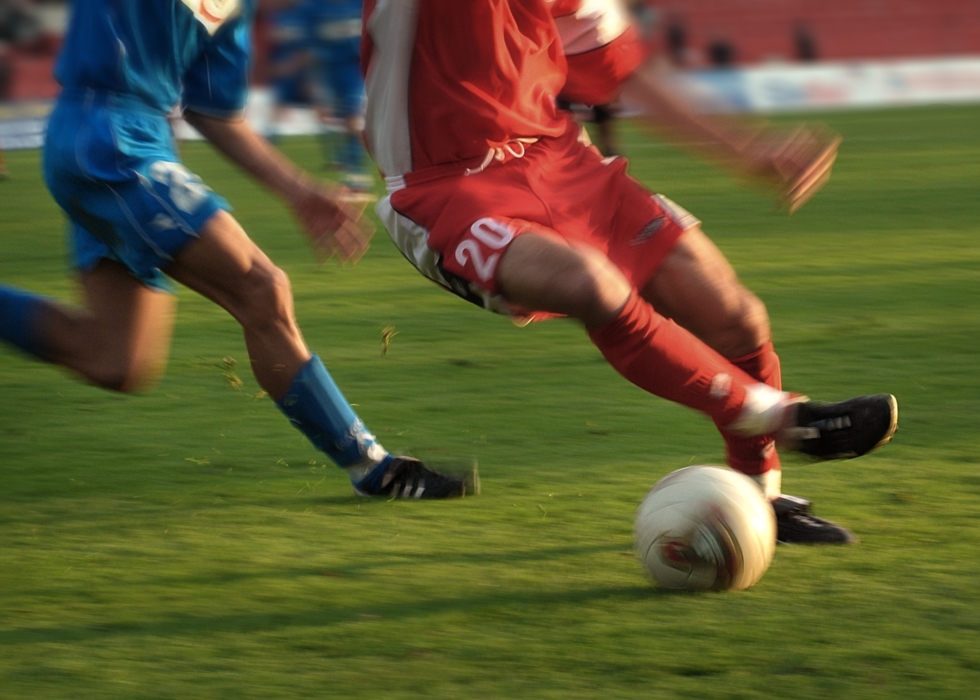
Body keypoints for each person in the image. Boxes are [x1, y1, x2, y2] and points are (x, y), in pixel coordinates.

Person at [360, 0, 898, 542]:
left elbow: (621, 69)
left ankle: (762, 503)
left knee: (736, 318)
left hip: (559, 160)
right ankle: (782, 419)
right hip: (445, 186)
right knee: (592, 286)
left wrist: (748, 150)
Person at [0, 0, 466, 499]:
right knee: (262, 289)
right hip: (108, 140)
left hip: (130, 140)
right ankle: (374, 469)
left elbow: (213, 111)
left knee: (116, 360)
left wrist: (299, 191)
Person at [308, 0, 373, 194]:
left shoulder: (359, 4)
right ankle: (345, 164)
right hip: (328, 70)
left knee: (353, 121)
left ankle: (358, 177)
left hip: (353, 70)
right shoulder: (316, 6)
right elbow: (311, 40)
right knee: (339, 122)